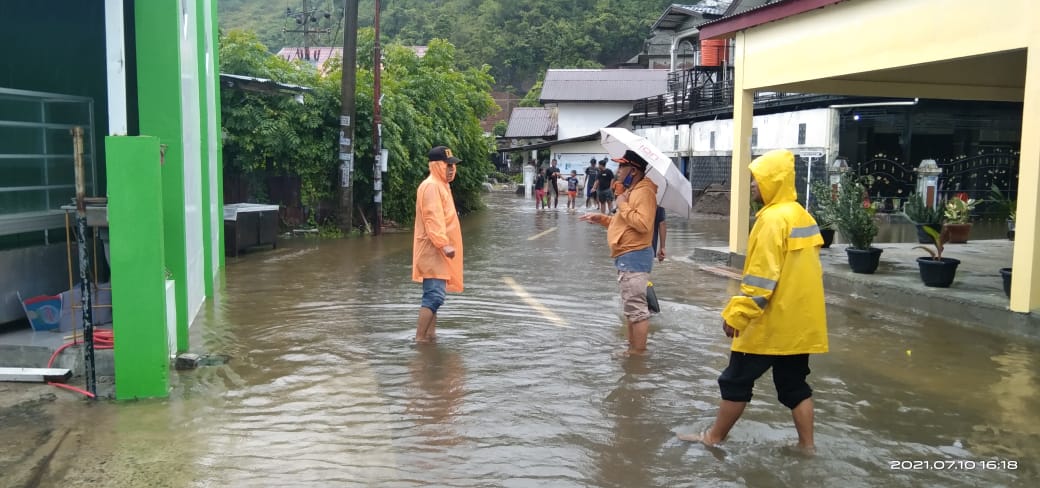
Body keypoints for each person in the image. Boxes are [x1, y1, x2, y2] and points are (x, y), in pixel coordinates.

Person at [677, 149, 828, 452]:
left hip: (770, 323)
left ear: (773, 181)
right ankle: (807, 448)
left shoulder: (771, 220)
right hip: (799, 324)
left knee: (735, 381)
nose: (753, 185)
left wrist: (738, 314)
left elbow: (761, 278)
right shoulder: (801, 215)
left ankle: (713, 438)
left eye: (757, 179)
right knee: (794, 386)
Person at [579, 150, 659, 356]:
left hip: (634, 255)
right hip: (627, 255)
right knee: (630, 308)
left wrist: (622, 204)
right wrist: (603, 219)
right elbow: (625, 224)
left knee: (636, 310)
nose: (618, 170)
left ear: (633, 170)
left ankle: (638, 355)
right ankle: (631, 349)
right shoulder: (632, 191)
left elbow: (643, 224)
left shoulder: (644, 192)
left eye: (622, 166)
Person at [412, 146, 465, 343]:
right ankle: (420, 340)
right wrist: (443, 245)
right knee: (434, 296)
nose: (451, 169)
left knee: (434, 297)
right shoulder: (432, 186)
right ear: (436, 165)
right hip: (433, 250)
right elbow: (432, 218)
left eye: (453, 166)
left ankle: (430, 337)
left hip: (439, 251)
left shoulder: (442, 186)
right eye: (447, 165)